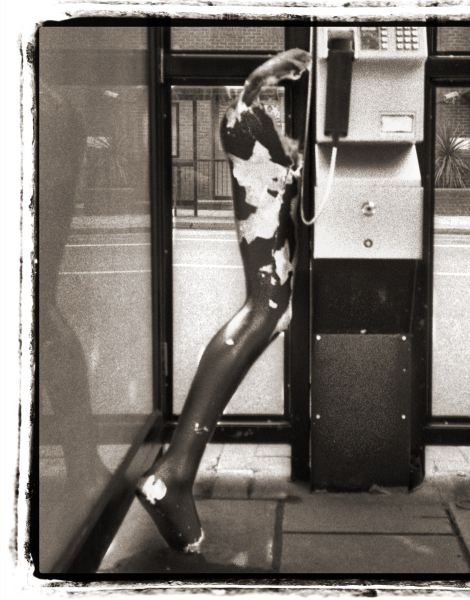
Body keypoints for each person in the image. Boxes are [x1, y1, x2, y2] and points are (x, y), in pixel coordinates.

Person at [135, 48, 312, 554]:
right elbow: (243, 107)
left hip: (274, 263)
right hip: (269, 268)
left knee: (266, 315)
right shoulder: (245, 122)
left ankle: (176, 467)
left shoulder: (254, 130)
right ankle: (173, 469)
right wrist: (268, 73)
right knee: (262, 311)